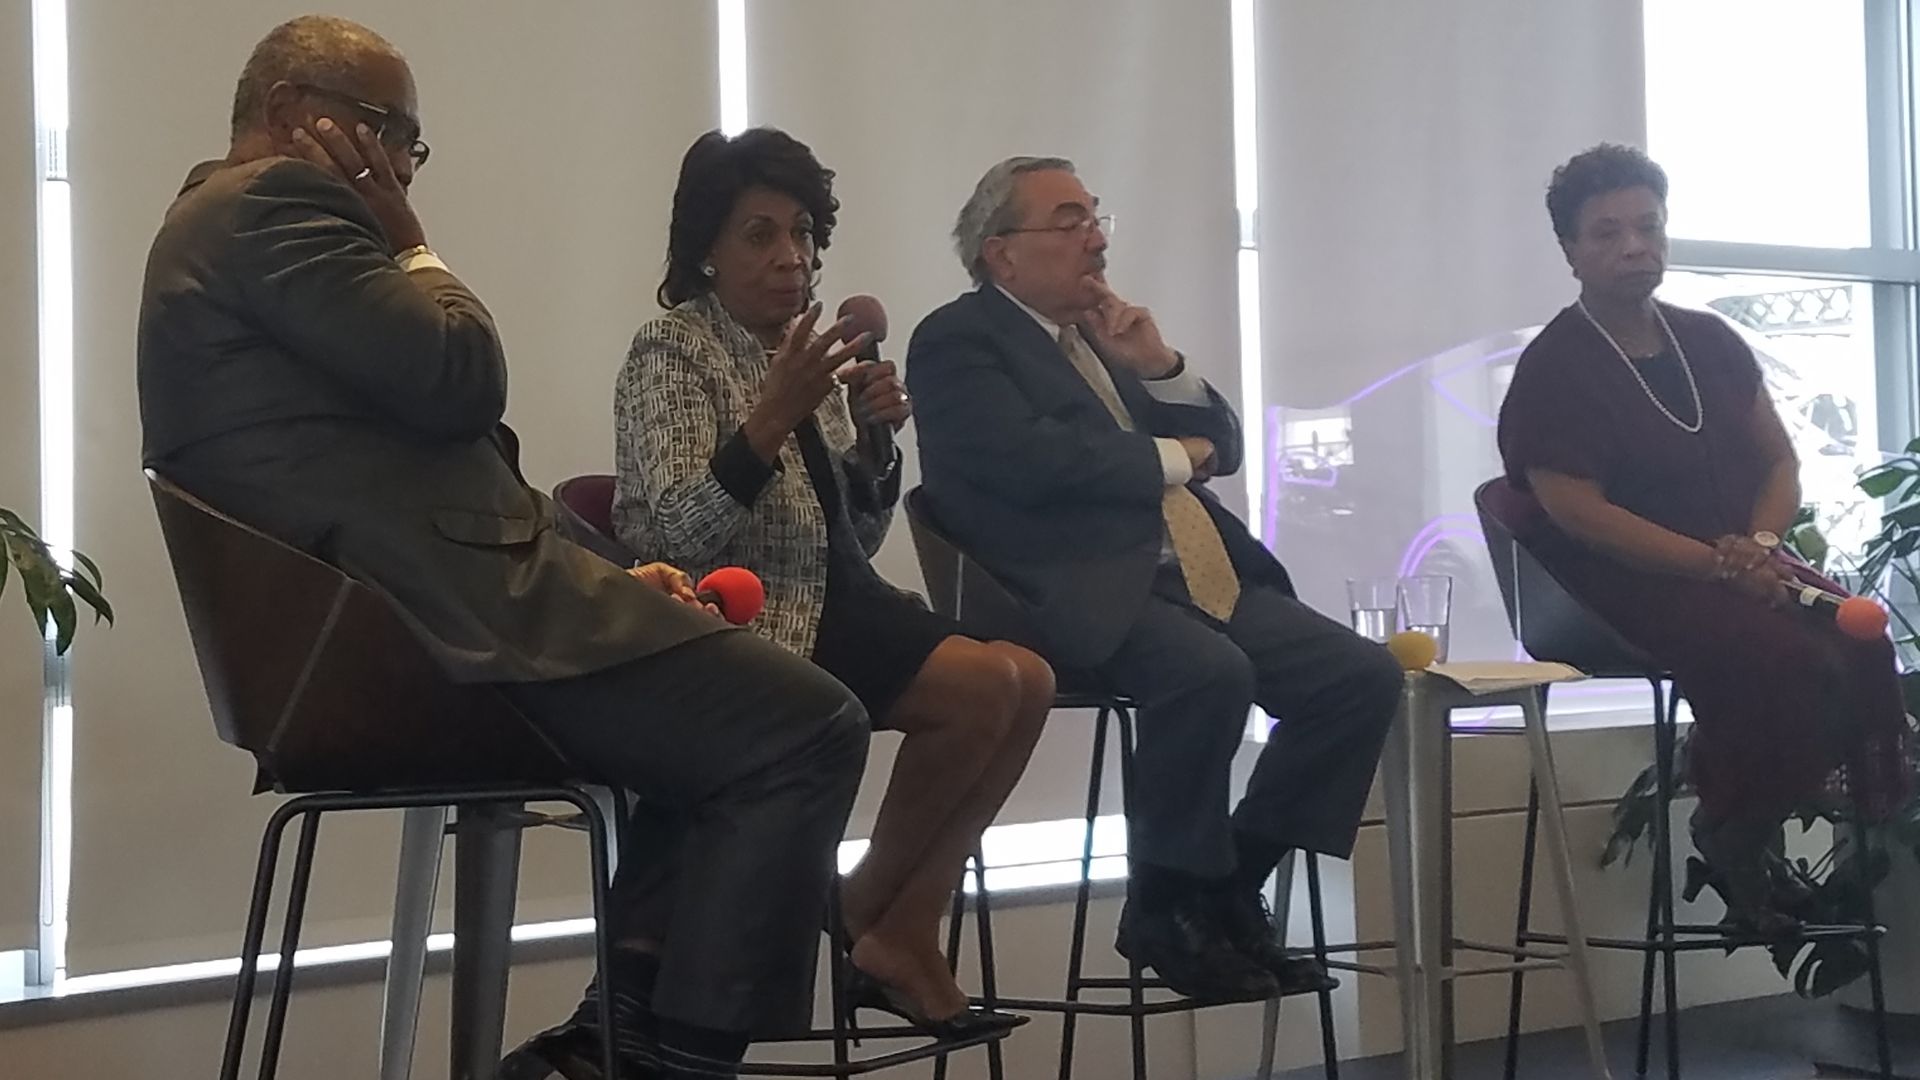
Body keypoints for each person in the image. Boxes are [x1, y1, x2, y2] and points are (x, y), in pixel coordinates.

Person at [137, 18, 867, 1080]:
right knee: (808, 727)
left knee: (720, 700)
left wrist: (622, 577)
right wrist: (413, 240)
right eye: (391, 132)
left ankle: (609, 1036)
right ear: (297, 114)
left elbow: (447, 474)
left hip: (413, 614)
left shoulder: (222, 231)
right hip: (428, 638)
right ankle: (667, 1059)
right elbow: (463, 377)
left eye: (410, 149)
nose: (398, 164)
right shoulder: (271, 206)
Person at [905, 156, 1401, 1000]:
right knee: (1210, 674)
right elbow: (1033, 461)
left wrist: (1157, 360)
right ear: (1002, 254)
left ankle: (1218, 889)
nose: (1094, 237)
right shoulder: (958, 340)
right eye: (1067, 220)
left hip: (1195, 580)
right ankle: (1176, 907)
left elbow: (1228, 447)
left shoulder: (1098, 340)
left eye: (1095, 216)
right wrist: (1178, 456)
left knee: (1360, 677)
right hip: (1065, 586)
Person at [614, 128, 1050, 1037]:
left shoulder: (809, 352)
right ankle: (868, 922)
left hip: (836, 597)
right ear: (707, 250)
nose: (792, 259)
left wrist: (876, 438)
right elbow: (687, 531)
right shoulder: (674, 349)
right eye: (760, 236)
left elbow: (855, 532)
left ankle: (894, 923)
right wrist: (771, 415)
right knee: (982, 687)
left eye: (804, 235)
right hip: (747, 617)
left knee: (1031, 678)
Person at [1497, 143, 1911, 933]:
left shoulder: (1710, 340)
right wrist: (1714, 566)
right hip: (1617, 580)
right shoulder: (1557, 365)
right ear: (1570, 251)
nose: (1633, 247)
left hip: (1739, 558)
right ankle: (1732, 836)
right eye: (1608, 232)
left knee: (1858, 638)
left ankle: (1734, 819)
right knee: (1779, 656)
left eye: (1648, 227)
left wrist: (1757, 542)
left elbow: (1779, 460)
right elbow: (1575, 510)